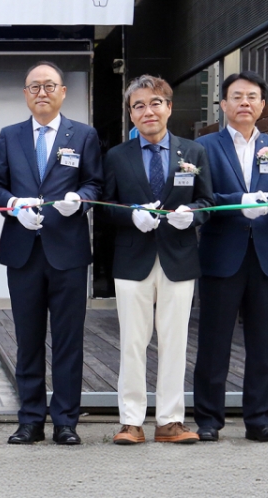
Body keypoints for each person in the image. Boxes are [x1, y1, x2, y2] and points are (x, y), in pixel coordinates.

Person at [0, 61, 103, 445]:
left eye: (49, 85)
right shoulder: (10, 136)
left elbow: (95, 183)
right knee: (28, 338)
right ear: (25, 94)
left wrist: (79, 200)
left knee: (68, 339)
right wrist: (13, 205)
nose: (42, 92)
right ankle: (30, 420)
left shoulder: (83, 135)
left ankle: (66, 421)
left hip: (67, 251)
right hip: (23, 251)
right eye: (34, 86)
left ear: (63, 92)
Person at [192, 71, 268, 443]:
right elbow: (202, 196)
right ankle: (209, 420)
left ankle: (260, 421)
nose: (245, 102)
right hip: (221, 253)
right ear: (223, 104)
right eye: (237, 96)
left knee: (261, 343)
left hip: (264, 254)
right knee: (214, 341)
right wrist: (238, 202)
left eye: (252, 96)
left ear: (262, 104)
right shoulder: (204, 146)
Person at [103, 75, 213, 445]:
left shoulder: (193, 153)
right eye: (138, 105)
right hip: (132, 258)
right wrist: (130, 215)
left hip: (178, 258)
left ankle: (169, 421)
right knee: (132, 342)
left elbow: (207, 201)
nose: (147, 111)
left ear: (168, 107)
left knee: (174, 341)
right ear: (131, 114)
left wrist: (192, 215)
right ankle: (131, 421)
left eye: (155, 103)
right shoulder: (116, 156)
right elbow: (105, 206)